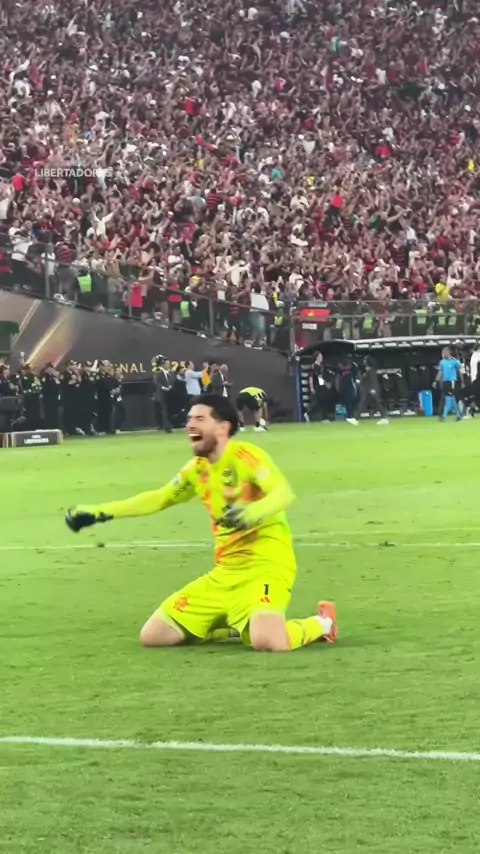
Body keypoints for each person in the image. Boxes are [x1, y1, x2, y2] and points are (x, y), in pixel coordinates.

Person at [65, 393, 337, 652]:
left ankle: (323, 623)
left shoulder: (246, 456)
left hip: (267, 568)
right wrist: (99, 512)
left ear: (223, 427)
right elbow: (159, 498)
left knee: (268, 642)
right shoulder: (197, 469)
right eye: (188, 419)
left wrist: (251, 512)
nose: (190, 425)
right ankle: (233, 627)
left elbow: (283, 493)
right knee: (154, 636)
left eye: (199, 419)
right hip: (224, 572)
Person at [355, 357, 389, 426]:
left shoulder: (372, 370)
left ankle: (384, 417)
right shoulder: (368, 370)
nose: (364, 361)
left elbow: (373, 380)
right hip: (367, 390)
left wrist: (373, 389)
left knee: (375, 403)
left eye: (365, 360)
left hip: (371, 389)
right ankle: (356, 418)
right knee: (364, 402)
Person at [304, 352, 334, 422]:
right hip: (316, 386)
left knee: (323, 401)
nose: (321, 358)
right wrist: (312, 388)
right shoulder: (313, 366)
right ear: (317, 357)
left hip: (321, 386)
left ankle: (324, 418)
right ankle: (307, 413)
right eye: (320, 356)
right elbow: (311, 378)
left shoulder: (321, 366)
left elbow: (321, 377)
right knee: (315, 402)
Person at [436, 347, 463, 421]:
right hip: (444, 382)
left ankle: (444, 416)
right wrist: (436, 380)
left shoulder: (454, 361)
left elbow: (460, 370)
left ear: (448, 353)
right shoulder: (442, 362)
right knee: (451, 399)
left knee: (448, 399)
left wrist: (462, 381)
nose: (442, 354)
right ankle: (458, 415)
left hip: (451, 382)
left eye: (444, 352)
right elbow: (440, 372)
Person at [152, 357, 173, 433]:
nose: (168, 365)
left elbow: (172, 380)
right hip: (162, 394)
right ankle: (167, 427)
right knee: (164, 411)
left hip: (169, 394)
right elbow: (156, 382)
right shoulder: (158, 372)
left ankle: (169, 425)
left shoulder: (169, 372)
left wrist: (170, 385)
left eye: (169, 364)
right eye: (167, 364)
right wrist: (163, 387)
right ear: (163, 364)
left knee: (169, 410)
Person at [40, 363, 61, 430]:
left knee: (54, 412)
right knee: (48, 412)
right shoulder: (44, 376)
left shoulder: (54, 377)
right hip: (47, 398)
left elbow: (58, 385)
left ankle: (55, 426)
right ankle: (48, 426)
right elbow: (44, 385)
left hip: (54, 397)